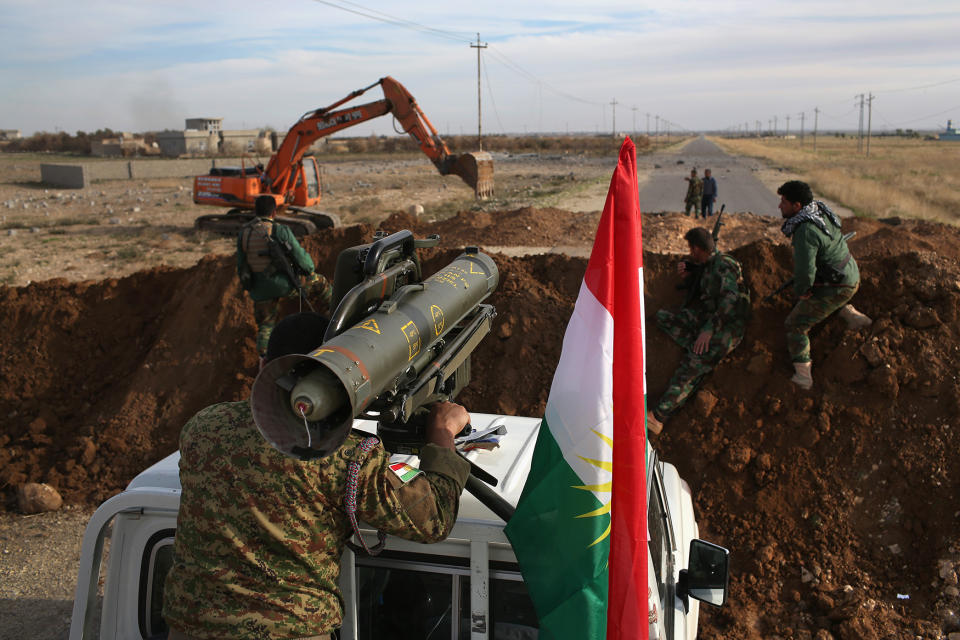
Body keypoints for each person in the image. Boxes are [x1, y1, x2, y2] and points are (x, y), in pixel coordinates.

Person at [162, 311, 472, 640]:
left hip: (190, 628)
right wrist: (442, 434)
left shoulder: (204, 427)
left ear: (263, 366)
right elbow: (433, 518)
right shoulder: (346, 456)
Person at [647, 227, 750, 434]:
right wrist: (689, 275)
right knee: (663, 317)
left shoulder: (723, 266)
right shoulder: (709, 265)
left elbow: (730, 300)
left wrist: (709, 331)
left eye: (691, 249)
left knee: (691, 366)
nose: (690, 253)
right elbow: (705, 286)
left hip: (725, 329)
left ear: (697, 248)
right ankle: (694, 343)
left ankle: (658, 417)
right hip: (707, 317)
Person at [777, 180, 872, 389]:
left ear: (797, 206)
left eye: (784, 202)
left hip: (838, 286)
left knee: (795, 324)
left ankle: (804, 377)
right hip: (850, 273)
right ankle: (852, 316)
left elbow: (805, 271)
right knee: (821, 299)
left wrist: (802, 292)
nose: (779, 206)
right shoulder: (820, 210)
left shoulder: (805, 231)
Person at [237, 195, 333, 358]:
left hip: (260, 290)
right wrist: (307, 273)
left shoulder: (244, 233)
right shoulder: (280, 231)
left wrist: (251, 288)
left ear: (255, 211)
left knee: (266, 327)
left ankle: (264, 361)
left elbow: (241, 266)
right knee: (320, 282)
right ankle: (337, 316)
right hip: (286, 285)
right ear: (274, 212)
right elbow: (305, 263)